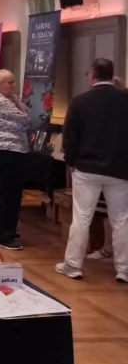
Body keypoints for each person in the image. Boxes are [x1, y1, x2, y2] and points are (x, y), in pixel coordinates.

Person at [56, 59, 128, 282]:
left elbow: (70, 136)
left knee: (82, 217)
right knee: (122, 220)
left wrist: (71, 161)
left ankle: (73, 265)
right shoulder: (125, 100)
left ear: (92, 76)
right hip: (120, 169)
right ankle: (124, 269)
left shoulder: (80, 101)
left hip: (86, 168)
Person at [0, 69, 29, 250]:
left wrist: (17, 102)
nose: (14, 86)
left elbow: (23, 120)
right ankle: (4, 236)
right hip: (7, 151)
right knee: (8, 194)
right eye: (10, 82)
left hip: (8, 150)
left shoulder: (4, 100)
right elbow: (26, 120)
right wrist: (18, 103)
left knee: (7, 193)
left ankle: (2, 230)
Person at [87, 75, 125, 261]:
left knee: (118, 216)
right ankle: (108, 249)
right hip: (110, 168)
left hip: (116, 169)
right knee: (108, 214)